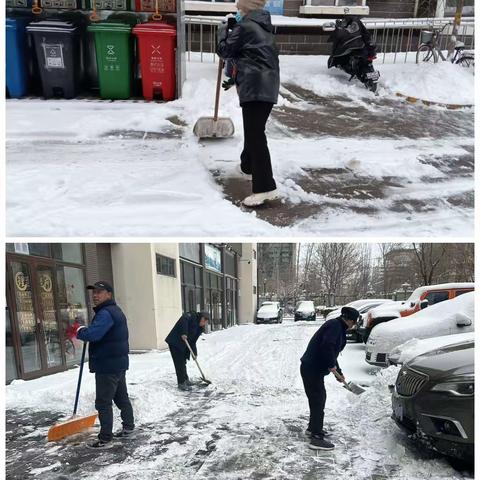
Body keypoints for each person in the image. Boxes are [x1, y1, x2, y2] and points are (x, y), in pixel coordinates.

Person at [217, 0, 280, 208]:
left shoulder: (245, 26)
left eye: (239, 7)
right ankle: (247, 167)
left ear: (245, 7)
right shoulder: (264, 25)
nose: (237, 10)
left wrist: (223, 30)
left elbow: (225, 50)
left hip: (255, 86)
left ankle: (265, 188)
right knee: (254, 131)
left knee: (255, 135)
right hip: (266, 86)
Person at [72, 281, 134, 449]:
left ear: (109, 294)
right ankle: (128, 427)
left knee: (103, 402)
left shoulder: (106, 313)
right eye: (94, 292)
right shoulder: (115, 311)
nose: (95, 295)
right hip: (117, 363)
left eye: (99, 292)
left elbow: (94, 334)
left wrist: (80, 331)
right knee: (121, 398)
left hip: (108, 365)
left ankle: (105, 438)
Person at [300, 306, 359, 451]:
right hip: (311, 368)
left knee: (318, 399)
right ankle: (316, 437)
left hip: (313, 369)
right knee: (318, 400)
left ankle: (313, 428)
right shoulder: (335, 326)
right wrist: (331, 365)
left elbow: (332, 351)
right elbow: (327, 346)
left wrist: (338, 371)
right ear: (350, 320)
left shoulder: (336, 325)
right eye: (354, 322)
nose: (354, 325)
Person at [165, 311, 209, 390]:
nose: (204, 323)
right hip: (175, 341)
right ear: (201, 318)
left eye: (206, 322)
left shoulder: (199, 328)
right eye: (204, 320)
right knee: (179, 362)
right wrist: (184, 332)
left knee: (183, 361)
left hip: (183, 344)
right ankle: (181, 383)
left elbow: (193, 341)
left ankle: (185, 380)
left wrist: (194, 353)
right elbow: (183, 320)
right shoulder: (192, 316)